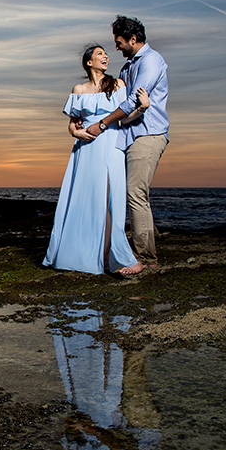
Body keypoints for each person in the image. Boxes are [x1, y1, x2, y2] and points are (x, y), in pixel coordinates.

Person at [43, 45, 148, 275]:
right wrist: (75, 132)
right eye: (100, 54)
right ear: (88, 62)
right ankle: (80, 257)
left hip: (111, 144)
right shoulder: (79, 89)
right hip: (86, 148)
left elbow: (125, 116)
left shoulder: (118, 84)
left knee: (113, 200)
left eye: (106, 54)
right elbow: (72, 123)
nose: (106, 57)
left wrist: (142, 107)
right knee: (85, 199)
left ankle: (117, 257)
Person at [86, 16, 169, 269]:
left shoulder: (152, 61)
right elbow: (127, 105)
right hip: (128, 136)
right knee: (134, 195)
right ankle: (140, 250)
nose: (117, 48)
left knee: (135, 194)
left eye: (119, 42)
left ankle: (146, 260)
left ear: (133, 39)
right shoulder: (126, 69)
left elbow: (132, 100)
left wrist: (102, 124)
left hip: (148, 135)